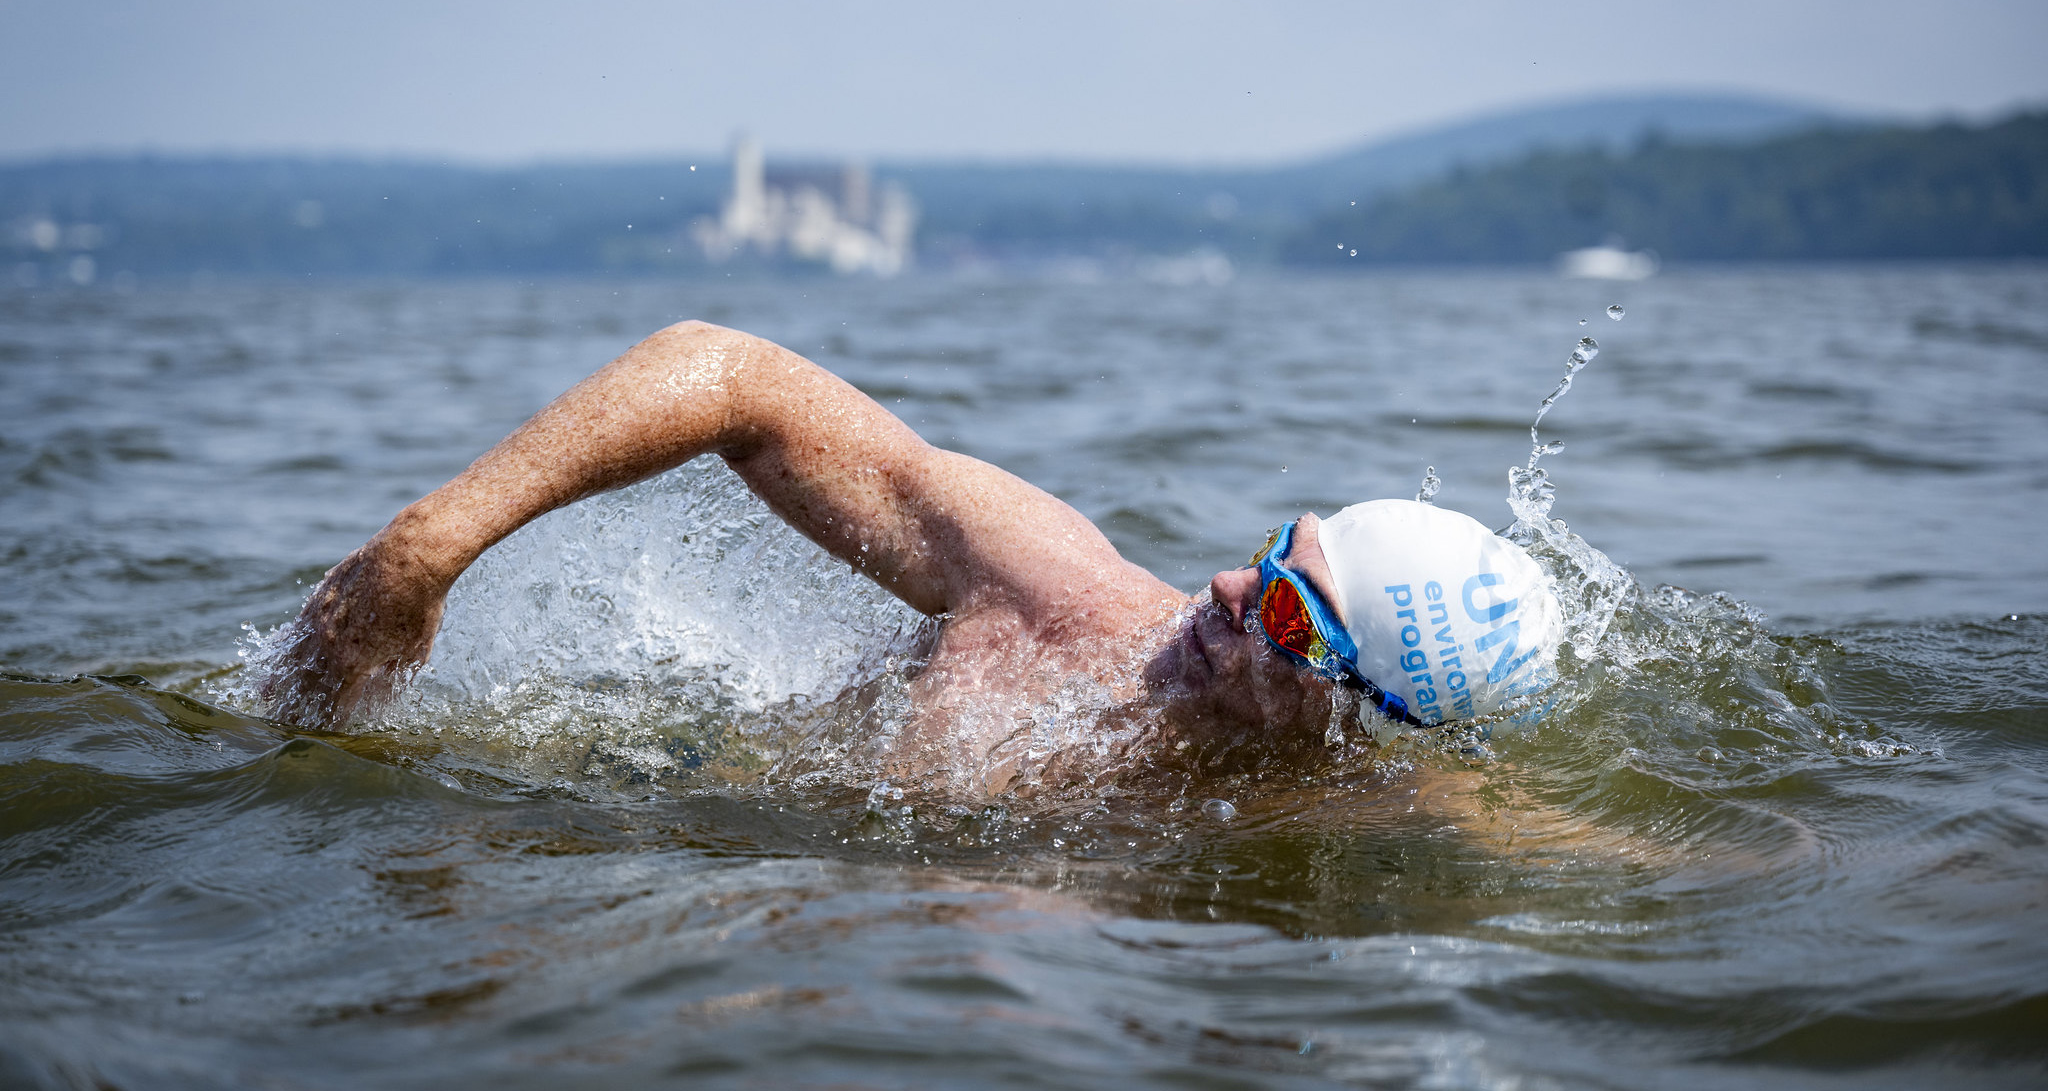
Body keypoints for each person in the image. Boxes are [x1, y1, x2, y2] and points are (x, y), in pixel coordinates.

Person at [260, 322, 1561, 795]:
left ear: (1352, 722)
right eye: (1274, 551)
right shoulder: (1055, 593)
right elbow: (730, 374)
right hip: (668, 803)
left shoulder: (1359, 808)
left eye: (1282, 606)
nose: (1227, 587)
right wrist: (422, 554)